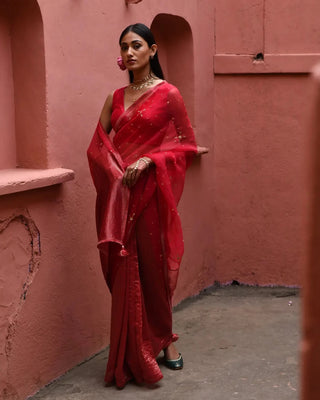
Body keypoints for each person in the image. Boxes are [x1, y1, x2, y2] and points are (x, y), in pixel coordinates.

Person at [87, 23, 201, 389]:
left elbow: (186, 144)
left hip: (150, 194)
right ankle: (129, 352)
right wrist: (115, 171)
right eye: (125, 46)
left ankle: (164, 341)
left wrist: (150, 159)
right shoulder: (114, 98)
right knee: (125, 273)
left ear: (152, 50)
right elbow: (97, 145)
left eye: (137, 45)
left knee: (152, 272)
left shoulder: (168, 94)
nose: (130, 52)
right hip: (120, 197)